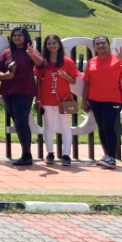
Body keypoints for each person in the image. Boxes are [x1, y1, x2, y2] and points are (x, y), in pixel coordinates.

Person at [82, 35, 122, 169]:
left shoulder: (117, 59)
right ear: (94, 47)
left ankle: (112, 157)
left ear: (108, 45)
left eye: (103, 43)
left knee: (108, 126)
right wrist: (84, 101)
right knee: (101, 127)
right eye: (97, 44)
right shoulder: (92, 61)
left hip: (113, 99)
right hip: (95, 100)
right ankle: (107, 156)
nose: (100, 46)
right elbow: (87, 83)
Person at [0, 27, 44, 166]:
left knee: (22, 121)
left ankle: (27, 155)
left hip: (24, 90)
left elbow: (41, 63)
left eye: (19, 35)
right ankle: (25, 154)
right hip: (8, 90)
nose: (16, 38)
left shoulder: (31, 51)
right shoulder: (6, 52)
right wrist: (4, 76)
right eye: (14, 35)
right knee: (17, 121)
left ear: (25, 37)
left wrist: (31, 54)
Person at [35, 35, 79, 166]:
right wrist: (38, 100)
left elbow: (73, 80)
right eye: (49, 43)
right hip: (46, 97)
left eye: (54, 43)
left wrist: (65, 76)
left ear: (59, 45)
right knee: (49, 126)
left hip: (64, 98)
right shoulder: (42, 62)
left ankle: (66, 154)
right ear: (45, 46)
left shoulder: (68, 61)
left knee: (65, 126)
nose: (52, 46)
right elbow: (38, 82)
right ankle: (50, 153)